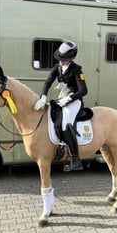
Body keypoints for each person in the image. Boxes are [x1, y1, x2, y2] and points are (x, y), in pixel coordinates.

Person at [34, 40, 88, 172]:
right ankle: (59, 147)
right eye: (60, 59)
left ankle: (76, 159)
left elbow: (83, 90)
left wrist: (69, 98)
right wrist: (43, 97)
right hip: (62, 98)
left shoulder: (77, 70)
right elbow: (48, 82)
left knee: (66, 123)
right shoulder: (57, 68)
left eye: (64, 60)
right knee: (52, 117)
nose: (61, 62)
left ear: (70, 59)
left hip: (74, 100)